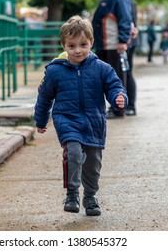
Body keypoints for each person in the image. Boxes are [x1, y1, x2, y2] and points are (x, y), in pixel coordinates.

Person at [34, 16, 127, 216]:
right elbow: (44, 97)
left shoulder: (101, 68)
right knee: (74, 153)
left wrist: (119, 98)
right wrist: (41, 120)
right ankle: (72, 193)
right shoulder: (55, 71)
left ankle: (90, 197)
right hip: (67, 121)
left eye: (83, 45)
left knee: (93, 165)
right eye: (72, 45)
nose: (78, 50)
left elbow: (114, 85)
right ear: (64, 46)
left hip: (94, 122)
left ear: (91, 43)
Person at [92, 0, 132, 118]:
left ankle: (118, 108)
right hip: (105, 44)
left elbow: (125, 18)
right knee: (105, 78)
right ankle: (112, 107)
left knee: (116, 78)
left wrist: (122, 41)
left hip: (113, 44)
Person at [116, 0, 138, 116]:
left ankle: (129, 105)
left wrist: (123, 40)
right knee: (127, 72)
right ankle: (129, 105)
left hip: (127, 41)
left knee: (126, 73)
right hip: (129, 40)